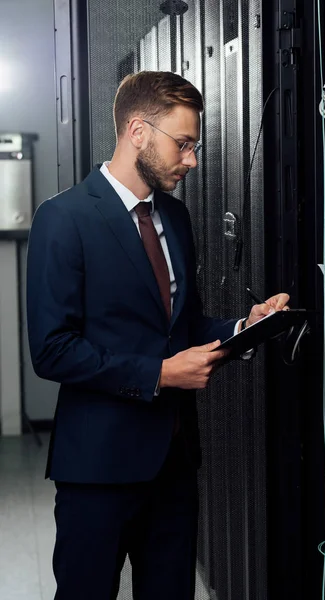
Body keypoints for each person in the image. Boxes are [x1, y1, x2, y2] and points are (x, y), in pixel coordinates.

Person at [26, 70, 289, 600]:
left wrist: (245, 327)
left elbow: (183, 327)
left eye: (195, 146)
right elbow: (52, 350)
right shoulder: (64, 218)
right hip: (97, 468)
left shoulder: (175, 217)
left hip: (172, 462)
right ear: (138, 131)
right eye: (184, 144)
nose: (191, 160)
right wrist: (163, 374)